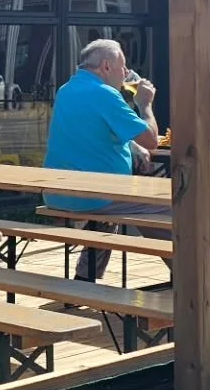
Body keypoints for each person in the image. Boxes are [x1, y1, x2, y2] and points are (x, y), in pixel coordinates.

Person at [43, 39, 161, 281]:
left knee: (112, 212)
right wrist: (145, 105)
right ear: (107, 66)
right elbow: (151, 139)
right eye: (123, 66)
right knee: (167, 209)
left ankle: (85, 278)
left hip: (58, 192)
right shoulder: (105, 94)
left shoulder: (66, 90)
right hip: (93, 196)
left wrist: (131, 144)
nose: (126, 73)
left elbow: (91, 132)